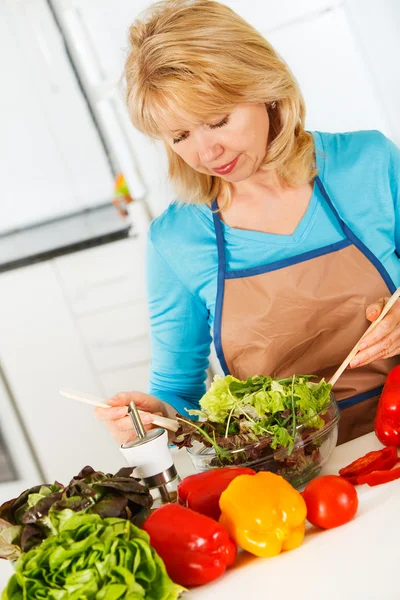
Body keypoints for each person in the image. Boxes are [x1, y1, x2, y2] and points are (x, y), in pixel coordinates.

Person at [96, 0, 400, 447]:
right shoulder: (177, 238)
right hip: (298, 475)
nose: (205, 153)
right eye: (180, 136)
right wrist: (157, 414)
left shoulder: (368, 163)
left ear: (265, 89)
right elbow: (178, 392)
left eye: (217, 120)